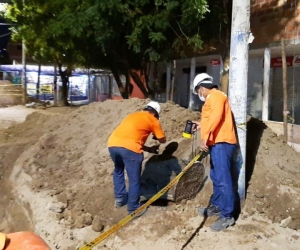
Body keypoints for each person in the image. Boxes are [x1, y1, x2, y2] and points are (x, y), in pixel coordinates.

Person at [192, 73, 237, 232]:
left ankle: (227, 215)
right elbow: (211, 119)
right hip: (217, 142)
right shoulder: (213, 98)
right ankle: (217, 207)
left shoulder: (216, 96)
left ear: (201, 88)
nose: (199, 95)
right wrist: (201, 125)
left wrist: (205, 138)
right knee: (217, 177)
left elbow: (216, 117)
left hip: (222, 142)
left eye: (198, 92)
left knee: (223, 179)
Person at [107, 101, 166, 217]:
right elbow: (162, 139)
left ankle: (120, 199)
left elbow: (130, 138)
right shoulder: (153, 120)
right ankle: (133, 208)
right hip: (130, 150)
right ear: (156, 113)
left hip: (112, 144)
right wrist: (156, 134)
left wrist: (149, 149)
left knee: (118, 171)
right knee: (134, 180)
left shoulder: (133, 115)